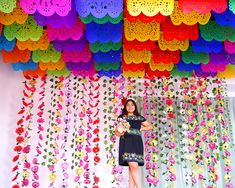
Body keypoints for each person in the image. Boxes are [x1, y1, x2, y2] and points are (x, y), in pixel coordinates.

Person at [115, 98, 153, 188]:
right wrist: (121, 132)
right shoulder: (122, 118)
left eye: (132, 105)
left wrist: (142, 129)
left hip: (136, 142)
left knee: (132, 167)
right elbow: (116, 133)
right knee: (133, 165)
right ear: (125, 107)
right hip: (126, 142)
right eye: (128, 105)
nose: (130, 107)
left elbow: (150, 126)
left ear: (135, 107)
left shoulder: (139, 117)